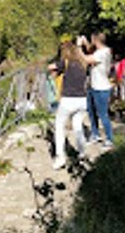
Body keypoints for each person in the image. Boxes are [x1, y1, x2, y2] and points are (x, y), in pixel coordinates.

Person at [48, 41, 89, 169]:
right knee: (78, 127)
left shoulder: (65, 62)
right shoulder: (82, 63)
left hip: (68, 100)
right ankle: (82, 153)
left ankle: (60, 157)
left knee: (59, 127)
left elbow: (50, 67)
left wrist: (54, 66)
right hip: (82, 100)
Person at [80, 32, 115, 148]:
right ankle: (95, 134)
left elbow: (86, 59)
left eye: (92, 40)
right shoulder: (102, 50)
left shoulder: (102, 53)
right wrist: (85, 42)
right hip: (93, 86)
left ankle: (109, 139)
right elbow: (91, 50)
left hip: (101, 88)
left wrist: (79, 47)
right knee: (91, 112)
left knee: (103, 114)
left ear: (96, 40)